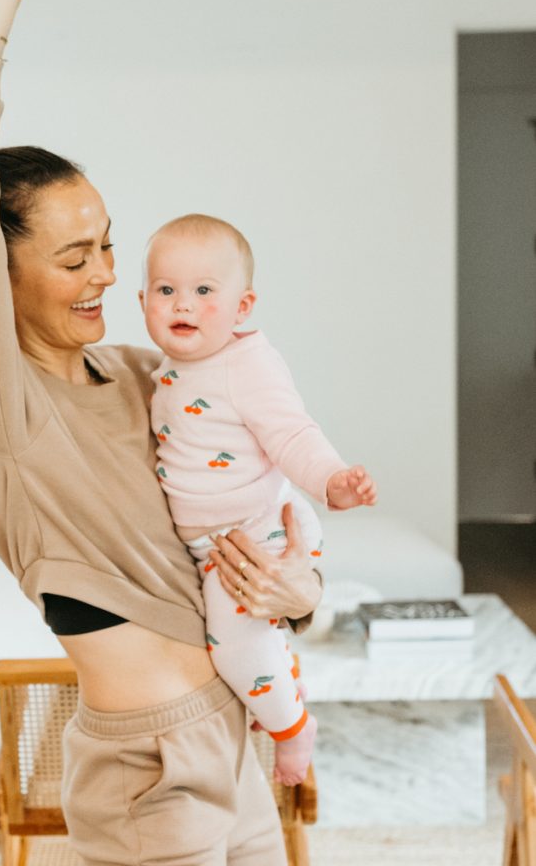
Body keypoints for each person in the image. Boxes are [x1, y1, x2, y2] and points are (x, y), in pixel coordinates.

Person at [0, 0, 326, 865]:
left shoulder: (147, 376)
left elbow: (260, 505)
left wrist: (299, 589)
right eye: (71, 253)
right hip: (144, 769)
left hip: (235, 729)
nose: (103, 272)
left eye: (106, 244)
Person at [139, 213, 378, 785]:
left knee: (233, 651)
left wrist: (332, 482)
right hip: (210, 542)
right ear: (142, 300)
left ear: (243, 307)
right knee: (249, 645)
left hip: (256, 532)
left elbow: (292, 433)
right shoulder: (167, 367)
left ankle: (294, 731)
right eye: (166, 291)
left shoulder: (247, 364)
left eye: (203, 292)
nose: (183, 306)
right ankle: (278, 681)